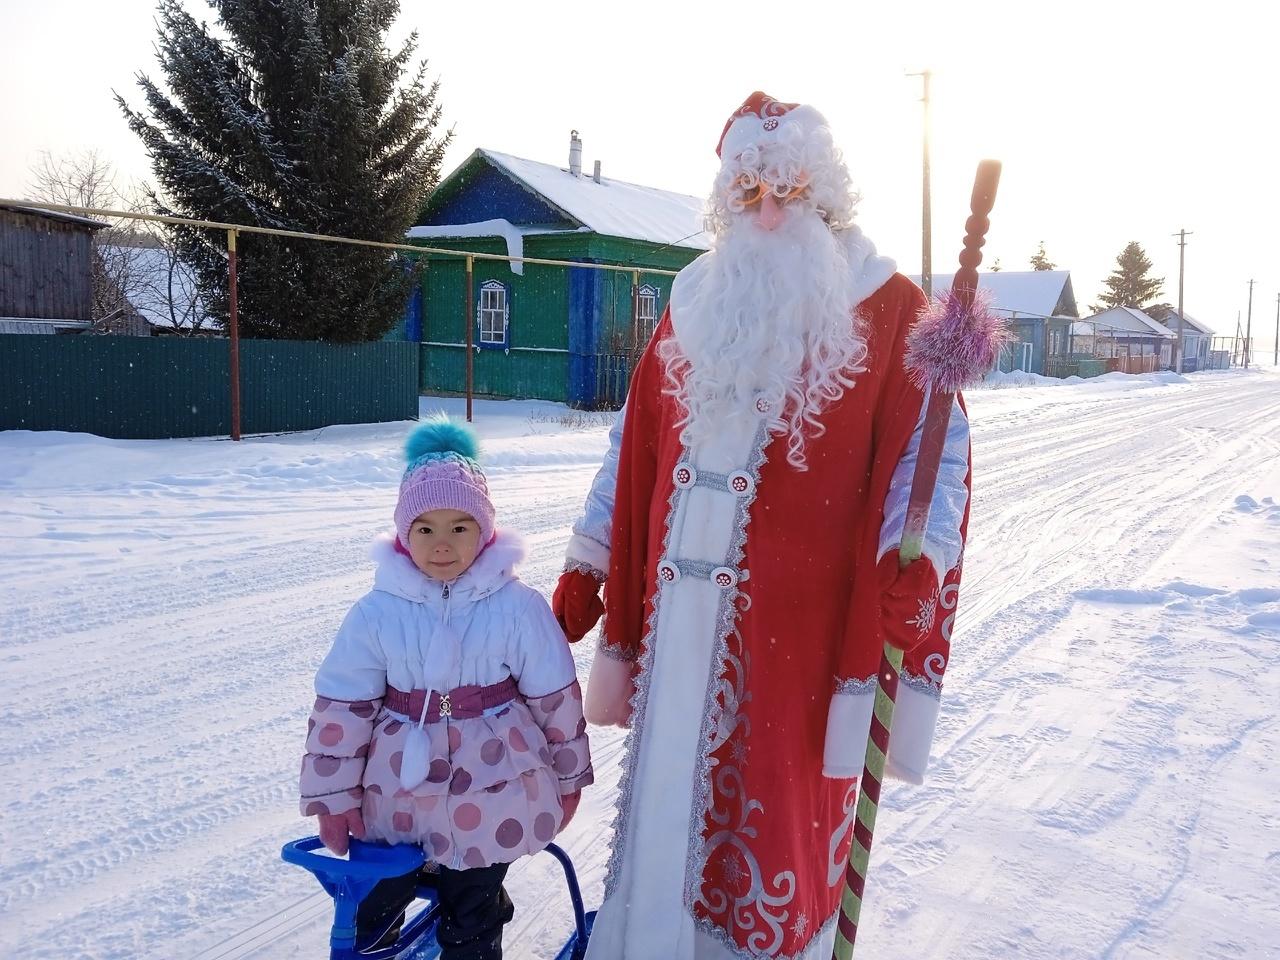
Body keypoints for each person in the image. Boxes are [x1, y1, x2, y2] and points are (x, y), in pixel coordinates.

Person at [553, 92, 972, 959]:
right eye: (749, 193)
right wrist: (590, 563)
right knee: (667, 806)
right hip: (677, 642)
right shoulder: (695, 299)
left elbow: (935, 459)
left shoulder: (891, 311)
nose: (769, 211)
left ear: (826, 197)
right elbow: (631, 445)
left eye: (787, 189)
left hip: (799, 652)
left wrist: (919, 562)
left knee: (775, 829)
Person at [301, 417, 593, 960]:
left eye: (460, 528)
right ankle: (377, 945)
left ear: (485, 531)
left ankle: (473, 939)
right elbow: (343, 711)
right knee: (377, 898)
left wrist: (569, 773)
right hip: (395, 792)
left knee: (473, 902)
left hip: (494, 784)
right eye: (425, 528)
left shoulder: (516, 606)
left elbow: (555, 698)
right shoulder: (376, 613)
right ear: (402, 534)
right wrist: (335, 797)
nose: (442, 545)